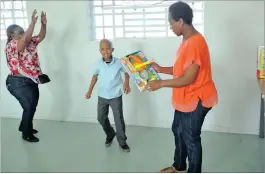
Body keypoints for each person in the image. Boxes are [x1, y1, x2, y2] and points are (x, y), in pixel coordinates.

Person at [145, 1, 218, 173]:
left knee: (191, 137)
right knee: (177, 129)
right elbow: (181, 70)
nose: (170, 27)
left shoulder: (195, 43)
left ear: (181, 21)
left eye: (171, 22)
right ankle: (179, 165)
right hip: (185, 98)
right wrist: (160, 69)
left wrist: (161, 83)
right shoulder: (186, 40)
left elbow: (188, 78)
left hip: (196, 99)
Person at [5, 10, 47, 143]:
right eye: (20, 32)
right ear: (12, 35)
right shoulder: (11, 45)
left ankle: (25, 126)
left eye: (24, 31)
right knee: (28, 106)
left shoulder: (28, 41)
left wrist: (43, 24)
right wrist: (32, 23)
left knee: (32, 106)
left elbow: (40, 37)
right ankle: (26, 133)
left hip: (30, 80)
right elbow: (23, 41)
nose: (24, 34)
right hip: (17, 82)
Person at [85, 39, 131, 152]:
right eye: (103, 49)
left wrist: (126, 83)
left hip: (115, 95)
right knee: (100, 117)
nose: (106, 51)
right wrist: (89, 91)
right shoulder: (98, 64)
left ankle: (122, 142)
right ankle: (110, 133)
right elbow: (94, 77)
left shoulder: (119, 62)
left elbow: (127, 72)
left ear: (112, 50)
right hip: (102, 96)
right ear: (100, 51)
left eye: (108, 48)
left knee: (118, 119)